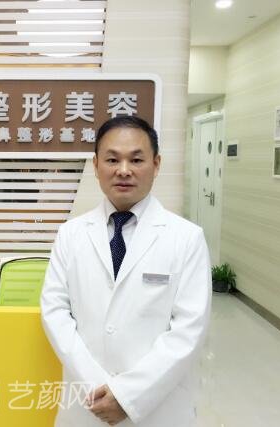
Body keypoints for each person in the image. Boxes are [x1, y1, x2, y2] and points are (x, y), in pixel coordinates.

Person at [40, 116, 211, 427]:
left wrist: (127, 396)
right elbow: (55, 313)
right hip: (87, 402)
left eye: (136, 159)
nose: (123, 170)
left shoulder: (187, 238)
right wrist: (98, 387)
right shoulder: (70, 234)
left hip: (158, 408)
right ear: (96, 166)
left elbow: (188, 331)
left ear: (156, 164)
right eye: (112, 159)